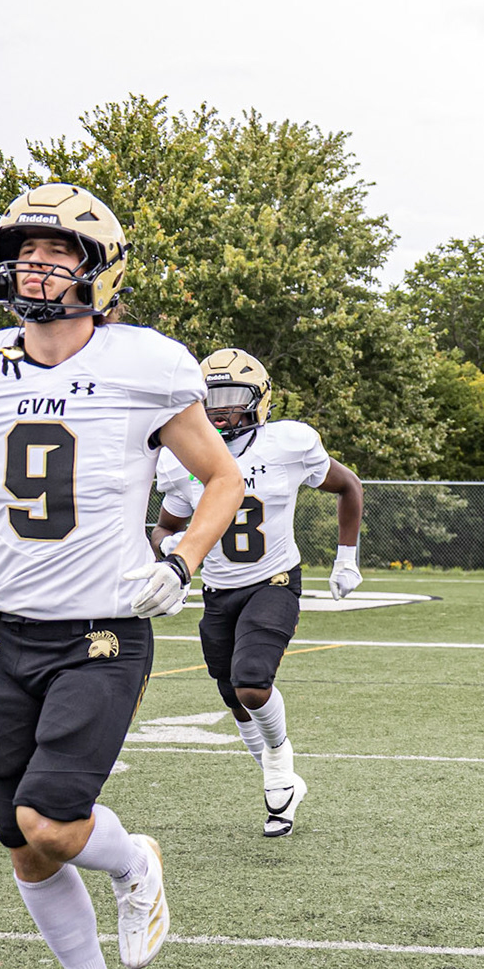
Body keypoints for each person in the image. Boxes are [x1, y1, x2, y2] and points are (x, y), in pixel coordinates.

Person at [0, 182, 244, 969]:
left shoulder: (146, 364)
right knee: (22, 843)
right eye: (25, 253)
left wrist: (182, 561)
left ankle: (134, 863)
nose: (37, 268)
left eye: (58, 254)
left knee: (54, 822)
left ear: (101, 271)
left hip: (104, 630)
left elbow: (223, 479)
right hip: (13, 630)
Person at [152, 348, 364, 836]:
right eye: (212, 398)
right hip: (218, 590)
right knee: (233, 695)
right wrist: (171, 555)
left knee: (251, 682)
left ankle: (280, 769)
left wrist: (346, 558)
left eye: (232, 397)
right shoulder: (182, 458)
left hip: (274, 580)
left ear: (260, 398)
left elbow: (349, 486)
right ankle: (280, 775)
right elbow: (163, 528)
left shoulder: (288, 443)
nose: (222, 409)